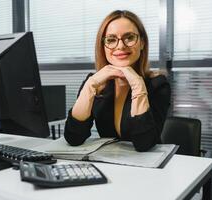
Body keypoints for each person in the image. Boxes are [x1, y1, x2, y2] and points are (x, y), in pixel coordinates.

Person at [64, 10, 170, 151]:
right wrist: (90, 85)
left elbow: (144, 144)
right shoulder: (95, 83)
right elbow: (74, 138)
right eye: (111, 39)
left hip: (146, 169)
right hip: (108, 165)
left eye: (129, 37)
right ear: (103, 46)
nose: (120, 46)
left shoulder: (158, 84)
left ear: (142, 43)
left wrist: (138, 85)